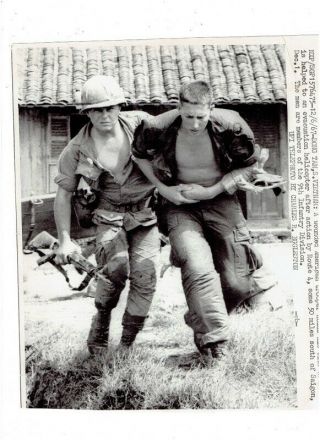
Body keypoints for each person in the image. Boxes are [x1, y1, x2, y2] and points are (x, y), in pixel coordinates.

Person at [133, 80, 281, 362]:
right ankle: (214, 344)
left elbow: (249, 165)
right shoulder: (157, 127)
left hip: (221, 198)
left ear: (211, 109)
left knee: (237, 283)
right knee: (196, 265)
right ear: (178, 108)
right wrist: (164, 190)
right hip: (179, 205)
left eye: (201, 116)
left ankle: (209, 316)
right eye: (188, 116)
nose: (194, 123)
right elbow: (138, 156)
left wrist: (212, 190)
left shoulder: (232, 126)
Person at [53, 75, 181, 355]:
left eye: (110, 107)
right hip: (108, 217)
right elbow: (63, 194)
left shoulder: (141, 124)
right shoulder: (76, 149)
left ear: (120, 107)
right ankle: (100, 325)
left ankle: (126, 344)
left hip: (145, 215)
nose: (105, 114)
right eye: (97, 109)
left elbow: (181, 128)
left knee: (146, 277)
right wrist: (64, 239)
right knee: (115, 270)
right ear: (86, 112)